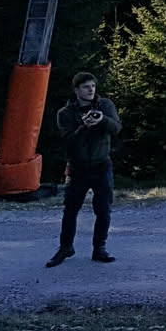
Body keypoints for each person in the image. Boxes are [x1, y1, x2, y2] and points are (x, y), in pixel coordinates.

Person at [47, 71, 121, 267]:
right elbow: (68, 143)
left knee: (103, 210)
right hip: (77, 168)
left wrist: (102, 120)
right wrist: (84, 126)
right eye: (86, 87)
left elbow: (116, 128)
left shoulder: (105, 105)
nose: (91, 90)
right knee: (70, 210)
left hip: (101, 165)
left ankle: (99, 248)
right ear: (76, 90)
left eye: (93, 86)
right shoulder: (65, 113)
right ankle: (65, 248)